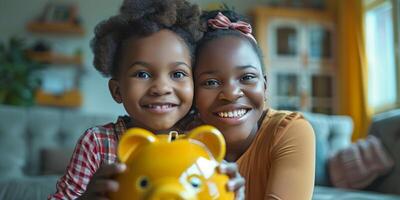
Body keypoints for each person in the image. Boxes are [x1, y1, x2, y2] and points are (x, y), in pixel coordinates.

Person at [49, 1, 244, 199]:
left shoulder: (205, 138)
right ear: (117, 91)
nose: (161, 88)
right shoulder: (97, 143)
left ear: (194, 84)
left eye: (177, 74)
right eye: (142, 74)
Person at [193, 10, 316, 200]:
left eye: (247, 77)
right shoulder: (182, 141)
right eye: (211, 82)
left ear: (265, 87)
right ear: (193, 93)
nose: (232, 94)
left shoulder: (288, 131)